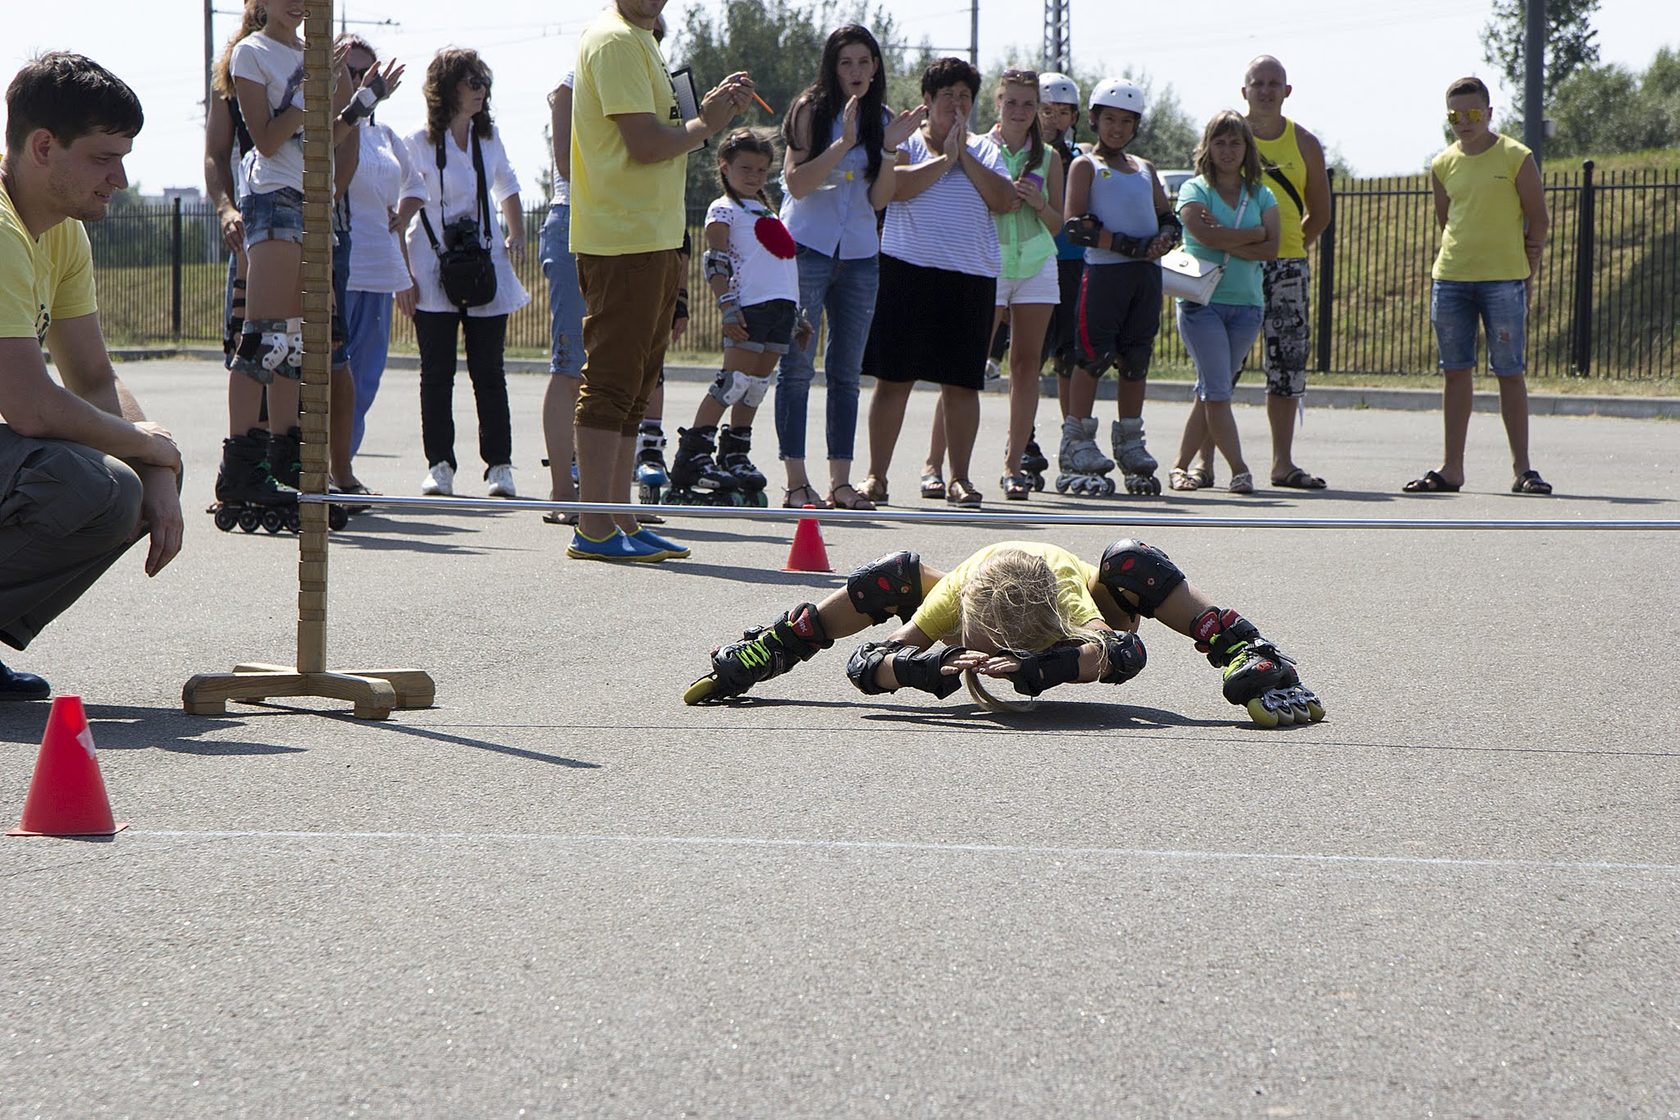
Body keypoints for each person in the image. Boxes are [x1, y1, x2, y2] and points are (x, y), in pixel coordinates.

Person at [683, 539, 1324, 728]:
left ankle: (1246, 646)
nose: (992, 664)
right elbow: (866, 663)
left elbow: (1123, 652)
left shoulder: (1069, 598)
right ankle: (781, 640)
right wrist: (919, 670)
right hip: (974, 582)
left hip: (1077, 591)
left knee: (1132, 564)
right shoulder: (952, 603)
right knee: (894, 574)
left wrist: (1046, 669)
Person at [0, 53, 184, 699]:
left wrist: (156, 468)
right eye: (105, 157)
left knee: (121, 487)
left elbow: (93, 378)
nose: (121, 177)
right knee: (82, 480)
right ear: (44, 146)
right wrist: (147, 447)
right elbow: (30, 406)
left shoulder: (59, 230)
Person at [567, 0, 754, 561]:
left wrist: (706, 113)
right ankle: (593, 527)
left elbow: (665, 134)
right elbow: (646, 146)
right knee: (610, 385)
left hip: (650, 237)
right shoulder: (618, 40)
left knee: (633, 390)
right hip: (623, 239)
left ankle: (617, 519)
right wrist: (709, 124)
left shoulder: (640, 38)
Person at [773, 25, 922, 511]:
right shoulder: (808, 111)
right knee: (796, 368)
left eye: (864, 62)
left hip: (859, 256)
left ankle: (840, 483)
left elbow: (881, 200)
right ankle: (797, 482)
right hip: (806, 249)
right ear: (831, 67)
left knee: (844, 372)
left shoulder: (883, 118)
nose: (855, 72)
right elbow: (796, 186)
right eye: (845, 63)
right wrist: (843, 143)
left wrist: (887, 149)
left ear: (875, 66)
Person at [858, 57, 1014, 509]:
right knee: (893, 380)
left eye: (965, 97)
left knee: (963, 384)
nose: (958, 105)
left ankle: (959, 478)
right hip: (907, 271)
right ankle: (876, 477)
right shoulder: (907, 144)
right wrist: (945, 159)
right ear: (927, 102)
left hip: (971, 277)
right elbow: (897, 189)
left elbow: (1004, 200)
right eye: (948, 97)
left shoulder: (985, 149)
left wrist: (963, 154)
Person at [1182, 55, 1332, 491]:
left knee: (1285, 366)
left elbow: (1319, 213)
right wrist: (1245, 245)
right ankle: (1203, 464)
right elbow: (1201, 210)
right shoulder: (1226, 136)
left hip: (1285, 267)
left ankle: (1282, 463)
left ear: (1287, 91)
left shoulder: (1304, 143)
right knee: (1218, 371)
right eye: (1257, 82)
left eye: (1274, 83)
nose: (1266, 90)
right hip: (1226, 271)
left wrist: (1285, 248)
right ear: (1243, 89)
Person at [1404, 75, 1551, 496]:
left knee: (1509, 371)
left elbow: (1537, 219)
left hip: (1504, 280)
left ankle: (1523, 469)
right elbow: (1447, 221)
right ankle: (1452, 468)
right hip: (1451, 280)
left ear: (1489, 113)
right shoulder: (1442, 163)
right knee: (1455, 373)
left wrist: (1527, 272)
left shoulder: (1515, 156)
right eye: (1455, 115)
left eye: (1472, 114)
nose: (1464, 122)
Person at [403, 48, 528, 500]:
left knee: (489, 371)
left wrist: (515, 234)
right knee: (436, 372)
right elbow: (401, 206)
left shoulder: (488, 138)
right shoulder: (417, 142)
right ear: (447, 88)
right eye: (472, 81)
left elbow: (508, 186)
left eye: (483, 83)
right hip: (430, 266)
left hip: (484, 266)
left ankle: (500, 466)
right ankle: (439, 465)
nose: (480, 90)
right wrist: (403, 271)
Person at [665, 129, 810, 505]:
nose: (754, 176)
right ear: (725, 167)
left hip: (780, 311)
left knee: (756, 387)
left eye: (762, 170)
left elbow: (779, 264)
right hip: (749, 308)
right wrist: (726, 304)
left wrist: (797, 318)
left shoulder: (766, 209)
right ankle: (692, 458)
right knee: (733, 381)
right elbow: (716, 259)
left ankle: (735, 455)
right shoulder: (723, 208)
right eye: (745, 168)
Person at [1057, 78, 1178, 498]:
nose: (1116, 128)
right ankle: (1077, 442)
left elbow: (1166, 213)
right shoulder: (1086, 165)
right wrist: (1131, 245)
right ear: (1093, 119)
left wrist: (1166, 236)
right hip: (1105, 275)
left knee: (1136, 359)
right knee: (1092, 357)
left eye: (1126, 122)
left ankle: (1130, 442)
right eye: (1109, 119)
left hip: (1144, 276)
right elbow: (1076, 226)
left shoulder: (1144, 168)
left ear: (1136, 125)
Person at [1166, 111, 1278, 495]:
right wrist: (1252, 234)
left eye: (1235, 142)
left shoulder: (1261, 193)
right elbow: (1202, 235)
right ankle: (1240, 469)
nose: (1227, 150)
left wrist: (1230, 235)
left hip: (1247, 306)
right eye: (1220, 142)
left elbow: (1272, 246)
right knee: (1217, 390)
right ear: (1207, 147)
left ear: (1247, 148)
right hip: (1202, 302)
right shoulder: (1194, 189)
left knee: (1211, 389)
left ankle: (1180, 466)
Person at [341, 36, 422, 488]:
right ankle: (328, 470)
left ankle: (343, 463)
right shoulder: (333, 128)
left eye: (368, 74)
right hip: (340, 267)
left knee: (365, 379)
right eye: (352, 73)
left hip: (378, 268)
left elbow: (415, 188)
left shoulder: (386, 135)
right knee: (333, 376)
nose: (361, 81)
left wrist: (402, 219)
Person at [979, 69, 1062, 501]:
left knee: (1027, 366)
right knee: (968, 364)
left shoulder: (1048, 156)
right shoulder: (978, 148)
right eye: (1011, 102)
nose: (1019, 111)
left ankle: (1014, 466)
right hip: (988, 262)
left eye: (1028, 104)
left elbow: (1058, 222)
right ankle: (941, 465)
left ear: (1038, 110)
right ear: (998, 104)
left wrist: (1040, 202)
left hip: (1034, 263)